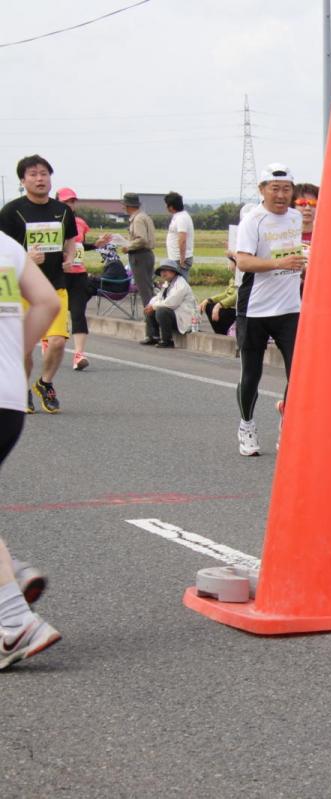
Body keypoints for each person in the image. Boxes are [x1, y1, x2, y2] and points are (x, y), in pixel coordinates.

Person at [0, 229, 64, 669]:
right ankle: (11, 575)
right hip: (7, 397)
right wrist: (11, 353)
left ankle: (14, 620)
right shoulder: (5, 245)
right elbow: (48, 302)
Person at [234, 163, 304, 457]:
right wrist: (279, 264)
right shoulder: (254, 220)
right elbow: (244, 262)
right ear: (262, 190)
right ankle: (246, 425)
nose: (280, 195)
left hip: (289, 308)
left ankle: (287, 423)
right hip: (255, 308)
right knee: (252, 373)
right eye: (274, 189)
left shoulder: (296, 218)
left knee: (300, 374)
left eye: (286, 189)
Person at [0, 155, 78, 414]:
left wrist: (70, 256)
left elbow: (71, 239)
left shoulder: (63, 210)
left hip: (54, 284)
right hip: (19, 288)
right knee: (22, 347)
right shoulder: (11, 212)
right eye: (32, 174)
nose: (39, 178)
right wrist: (25, 258)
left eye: (44, 173)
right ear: (23, 181)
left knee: (57, 341)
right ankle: (20, 389)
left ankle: (44, 383)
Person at [56, 187, 94, 371]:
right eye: (66, 202)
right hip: (58, 274)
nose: (70, 205)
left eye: (72, 201)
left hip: (79, 273)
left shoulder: (80, 223)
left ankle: (79, 355)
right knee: (57, 313)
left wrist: (96, 245)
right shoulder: (51, 222)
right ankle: (49, 345)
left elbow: (79, 245)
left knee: (78, 313)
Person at [140, 260, 199, 349]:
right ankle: (153, 336)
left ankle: (167, 340)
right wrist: (150, 305)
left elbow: (171, 303)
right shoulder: (168, 283)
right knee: (150, 308)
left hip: (185, 318)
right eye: (162, 271)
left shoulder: (181, 284)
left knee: (161, 311)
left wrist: (154, 306)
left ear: (173, 272)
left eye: (165, 271)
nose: (163, 274)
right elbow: (159, 297)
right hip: (175, 315)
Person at [117, 192, 156, 307]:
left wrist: (127, 247)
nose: (123, 207)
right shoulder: (144, 216)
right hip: (146, 255)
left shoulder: (138, 219)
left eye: (124, 205)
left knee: (144, 290)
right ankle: (153, 316)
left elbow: (142, 239)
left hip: (140, 256)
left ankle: (150, 319)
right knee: (148, 287)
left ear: (128, 206)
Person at [164, 192, 194, 277]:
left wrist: (182, 259)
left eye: (166, 204)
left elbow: (182, 239)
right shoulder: (178, 216)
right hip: (175, 258)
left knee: (181, 287)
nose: (165, 207)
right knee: (176, 286)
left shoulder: (181, 218)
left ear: (171, 206)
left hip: (179, 260)